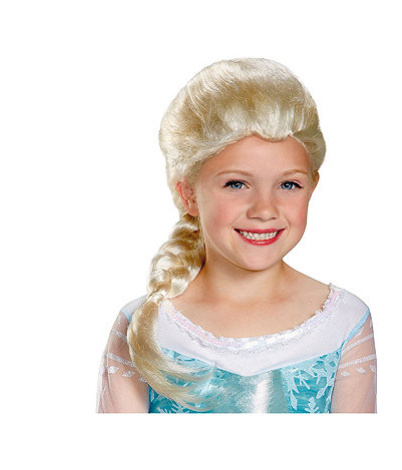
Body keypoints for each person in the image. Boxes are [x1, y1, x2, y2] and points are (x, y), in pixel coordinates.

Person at [96, 58, 377, 413]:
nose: (264, 209)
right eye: (236, 184)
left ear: (312, 187)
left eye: (288, 184)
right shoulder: (145, 328)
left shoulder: (342, 323)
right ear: (189, 194)